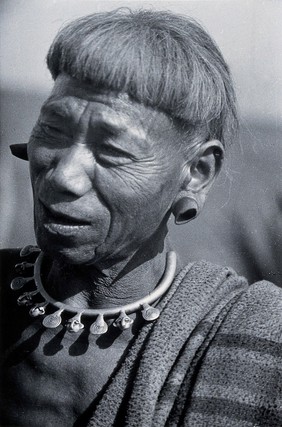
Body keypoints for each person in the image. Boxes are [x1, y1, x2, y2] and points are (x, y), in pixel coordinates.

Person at [0, 8, 281, 427]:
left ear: (196, 174)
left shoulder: (256, 339)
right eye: (53, 130)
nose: (63, 176)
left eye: (112, 151)